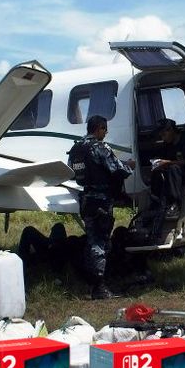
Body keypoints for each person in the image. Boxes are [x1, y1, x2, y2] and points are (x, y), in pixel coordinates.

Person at [70, 115, 134, 299]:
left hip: (86, 200)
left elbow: (73, 173)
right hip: (101, 201)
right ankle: (99, 287)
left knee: (91, 239)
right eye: (104, 129)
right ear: (98, 128)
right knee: (100, 243)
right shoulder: (100, 147)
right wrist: (130, 166)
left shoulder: (76, 148)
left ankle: (89, 280)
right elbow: (118, 169)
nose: (106, 133)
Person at [149, 118, 185, 218]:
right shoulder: (167, 145)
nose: (163, 138)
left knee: (173, 168)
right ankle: (155, 201)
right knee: (158, 172)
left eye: (164, 134)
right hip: (173, 174)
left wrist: (168, 163)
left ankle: (175, 204)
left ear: (171, 130)